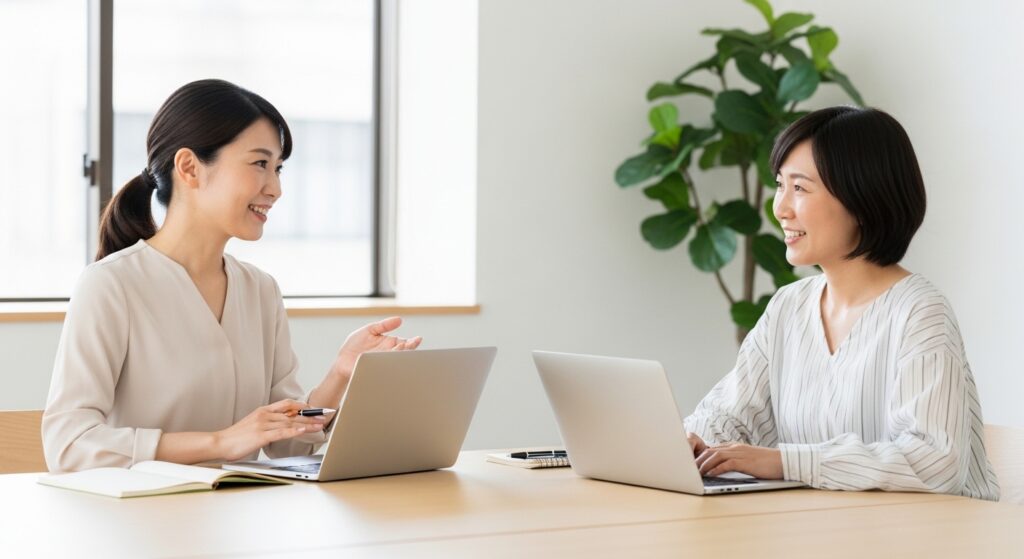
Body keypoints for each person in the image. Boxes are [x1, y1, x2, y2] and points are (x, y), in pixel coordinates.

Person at [42, 79, 421, 472]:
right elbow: (69, 446)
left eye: (278, 169)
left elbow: (287, 443)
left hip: (240, 518)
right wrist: (221, 441)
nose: (275, 188)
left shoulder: (260, 290)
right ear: (189, 168)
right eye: (260, 164)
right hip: (140, 522)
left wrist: (341, 372)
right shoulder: (111, 285)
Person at [683, 106, 1000, 501]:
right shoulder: (788, 307)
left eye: (800, 188)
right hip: (829, 531)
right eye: (780, 185)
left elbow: (934, 461)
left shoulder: (918, 313)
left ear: (862, 198)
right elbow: (731, 415)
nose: (780, 208)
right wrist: (690, 445)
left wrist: (783, 461)